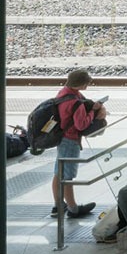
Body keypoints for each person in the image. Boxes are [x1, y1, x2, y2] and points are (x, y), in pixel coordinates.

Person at [52, 69, 107, 218]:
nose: (88, 85)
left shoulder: (64, 92)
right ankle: (73, 209)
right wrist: (92, 113)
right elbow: (81, 125)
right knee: (67, 176)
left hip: (62, 138)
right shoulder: (75, 102)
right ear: (82, 84)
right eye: (87, 83)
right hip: (71, 140)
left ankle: (58, 206)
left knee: (59, 172)